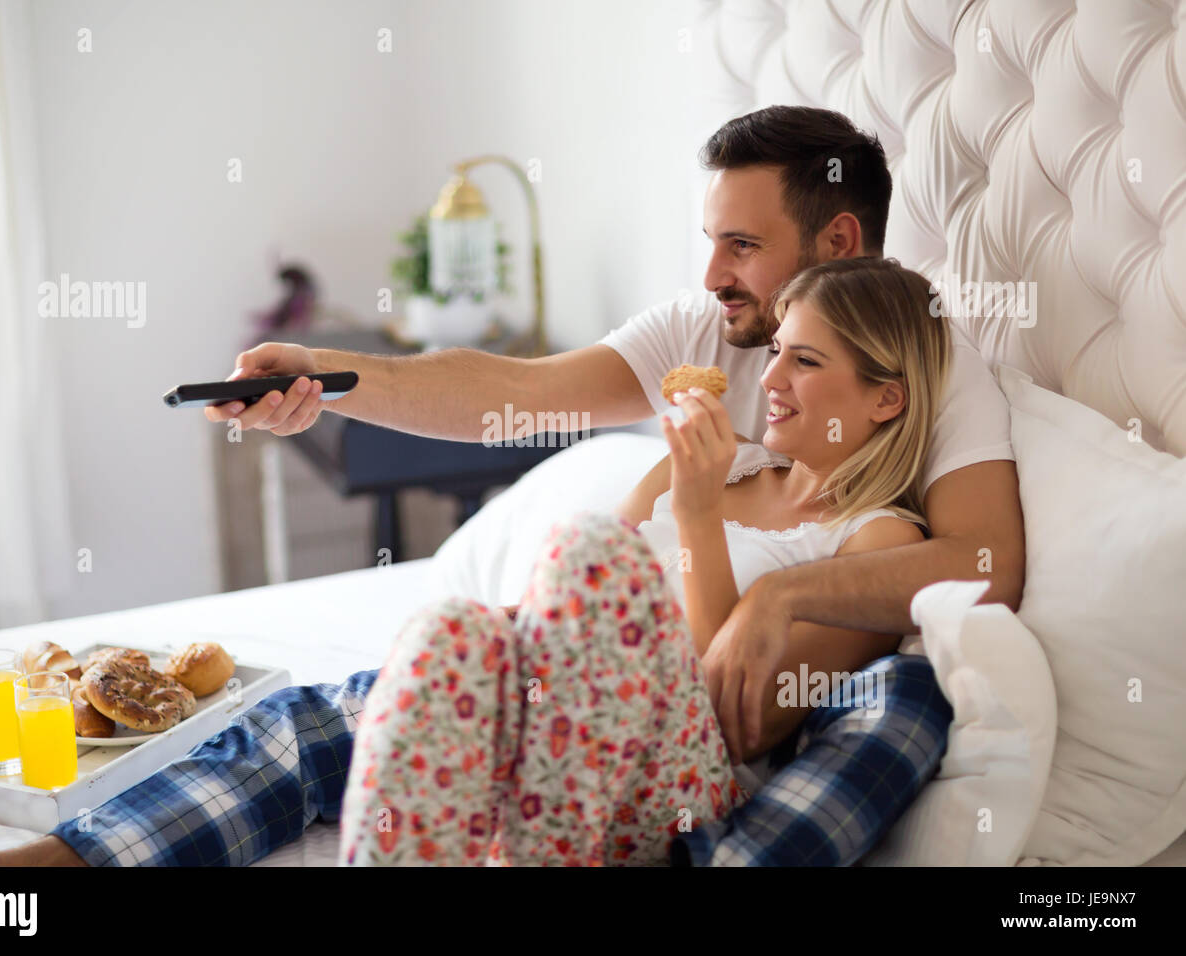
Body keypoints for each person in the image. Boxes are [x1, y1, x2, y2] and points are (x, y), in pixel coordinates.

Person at [0, 105, 1021, 868]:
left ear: (831, 235)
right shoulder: (717, 337)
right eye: (708, 242)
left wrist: (769, 588)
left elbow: (982, 567)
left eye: (739, 244)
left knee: (569, 573)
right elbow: (503, 391)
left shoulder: (929, 365)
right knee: (383, 674)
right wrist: (330, 383)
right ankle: (37, 866)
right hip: (591, 668)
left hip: (681, 725)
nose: (712, 277)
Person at [337, 257, 952, 864]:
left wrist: (699, 516)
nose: (769, 380)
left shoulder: (878, 541)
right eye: (775, 352)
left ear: (886, 400)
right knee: (450, 631)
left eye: (806, 361)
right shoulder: (725, 459)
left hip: (687, 779)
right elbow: (561, 612)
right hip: (560, 741)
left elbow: (742, 724)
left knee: (592, 551)